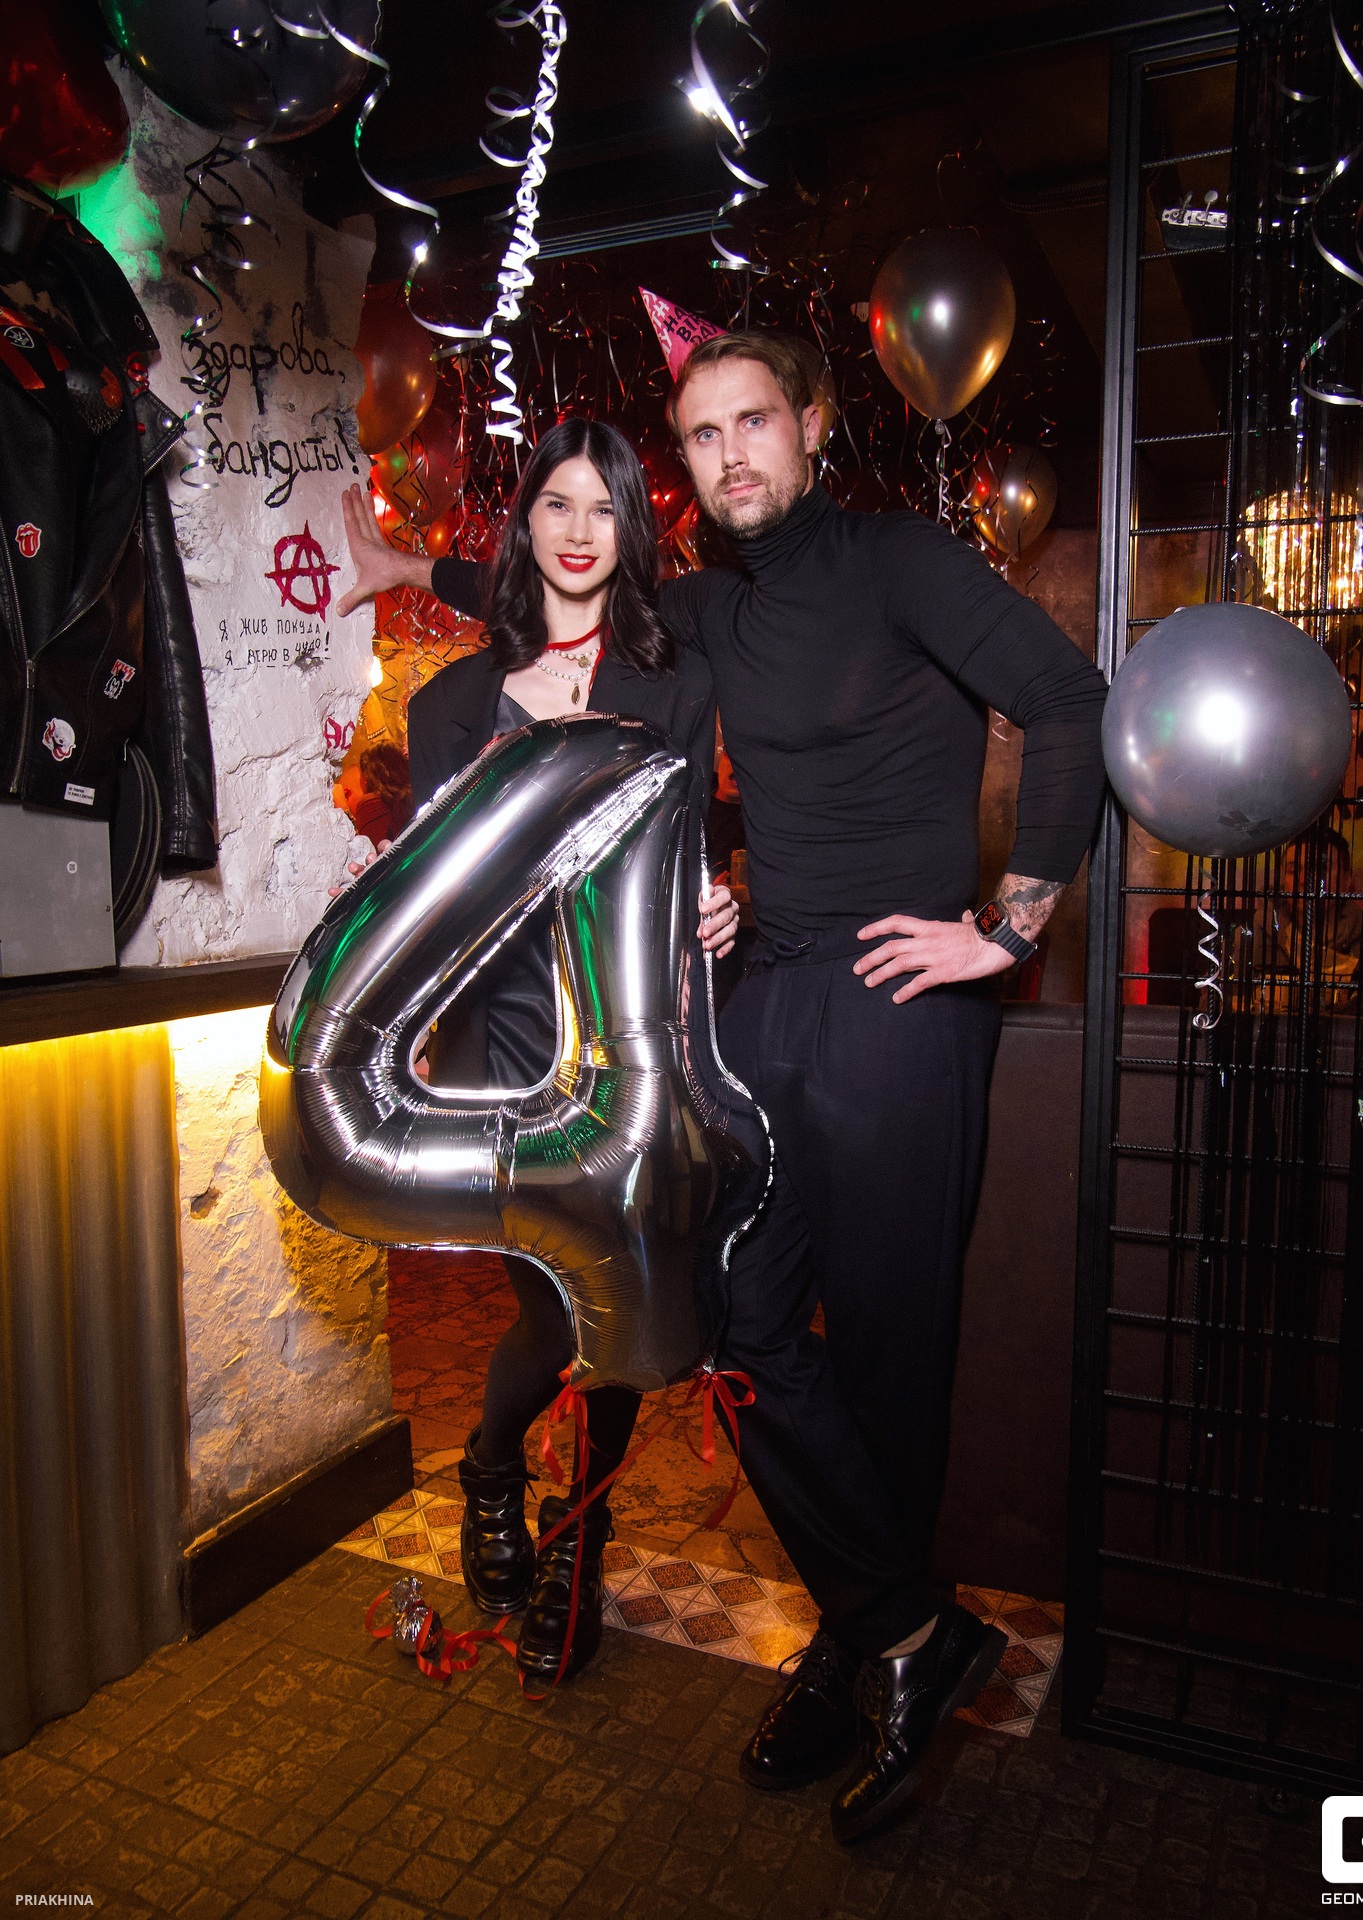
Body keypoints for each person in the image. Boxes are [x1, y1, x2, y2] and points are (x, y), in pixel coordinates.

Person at [654, 331, 1108, 1843]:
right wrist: (415, 566)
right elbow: (561, 606)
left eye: (754, 421)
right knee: (730, 1321)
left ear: (812, 425)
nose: (731, 453)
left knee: (892, 1353)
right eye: (703, 433)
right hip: (768, 999)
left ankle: (864, 1659)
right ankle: (903, 1627)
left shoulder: (899, 561)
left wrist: (1009, 931)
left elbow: (1069, 701)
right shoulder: (708, 604)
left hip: (904, 1004)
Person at [336, 417, 738, 1694]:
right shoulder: (451, 704)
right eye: (556, 504)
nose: (578, 531)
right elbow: (434, 903)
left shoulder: (674, 686)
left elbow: (692, 846)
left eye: (603, 508)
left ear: (630, 531)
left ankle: (582, 1534)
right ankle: (495, 1463)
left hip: (633, 1031)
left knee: (623, 1289)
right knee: (547, 1306)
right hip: (503, 1040)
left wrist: (721, 902)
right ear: (525, 525)